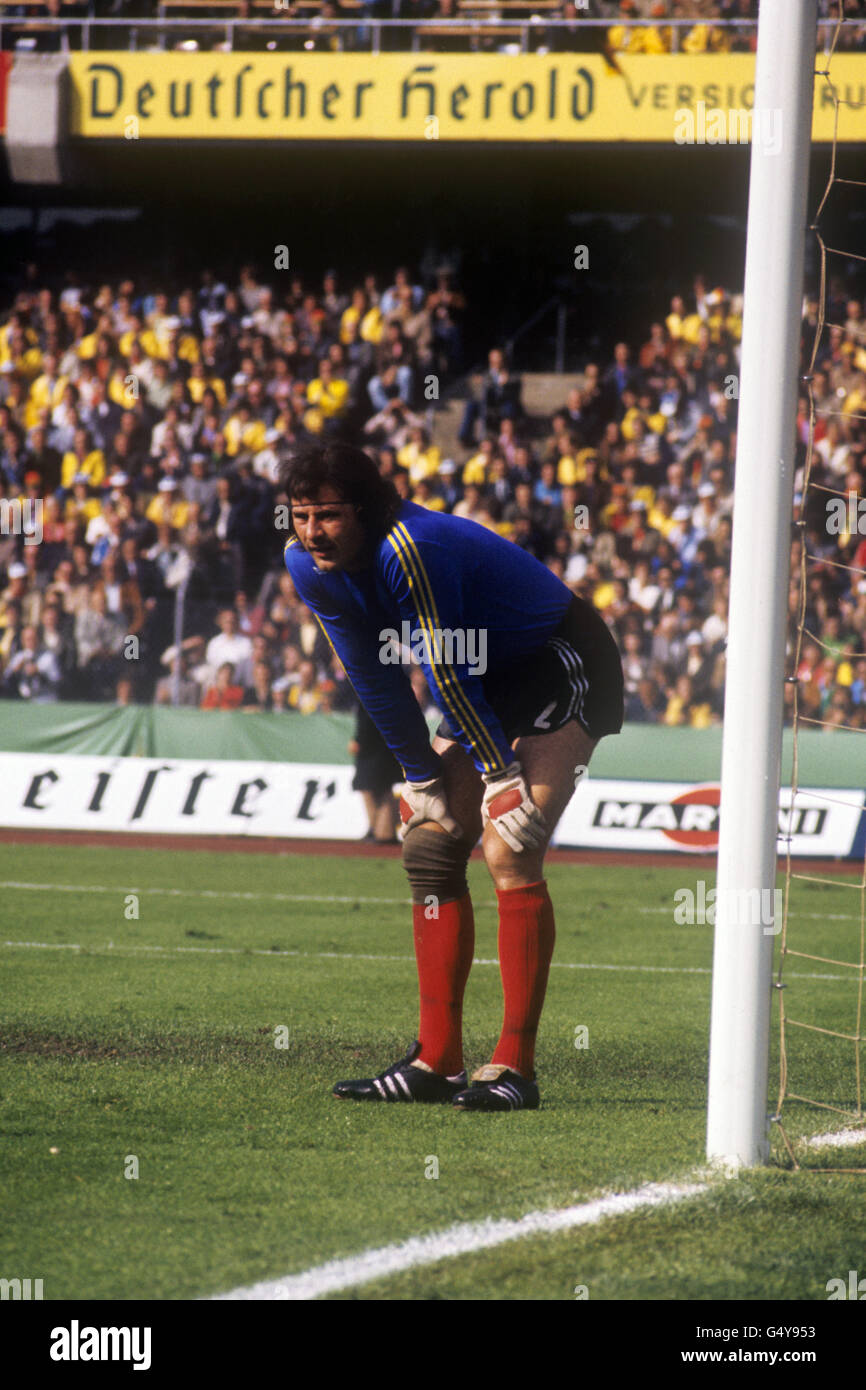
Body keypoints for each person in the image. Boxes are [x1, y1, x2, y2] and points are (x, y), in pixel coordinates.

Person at [279, 443, 624, 1112]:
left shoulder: (408, 546)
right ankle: (436, 1063)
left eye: (327, 515)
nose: (311, 532)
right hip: (486, 679)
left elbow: (445, 670)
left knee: (509, 842)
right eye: (299, 515)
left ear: (365, 510)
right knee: (430, 841)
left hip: (560, 658)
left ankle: (514, 1069)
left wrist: (500, 775)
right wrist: (419, 776)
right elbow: (371, 675)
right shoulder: (307, 565)